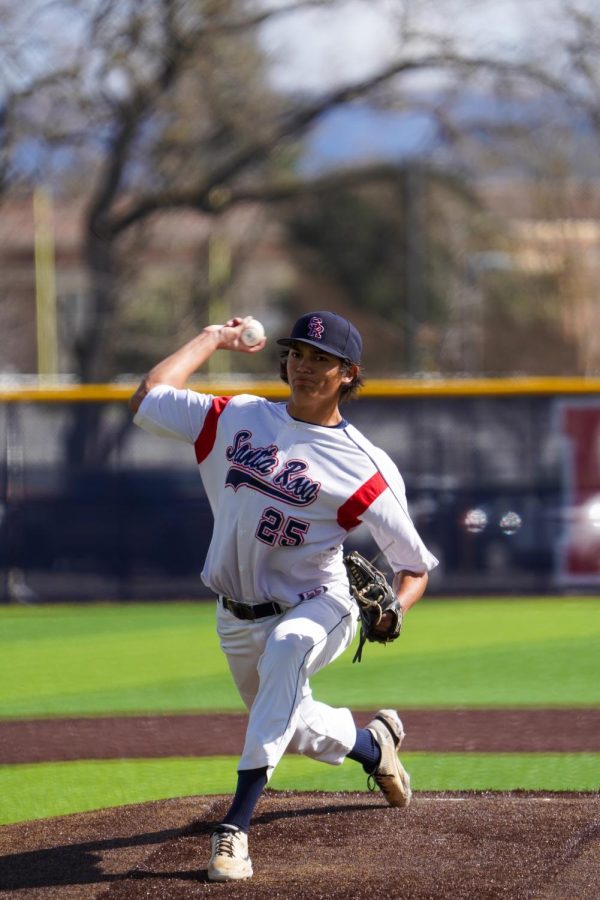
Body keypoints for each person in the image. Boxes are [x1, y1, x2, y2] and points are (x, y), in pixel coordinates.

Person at [129, 310, 438, 882]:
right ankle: (374, 746)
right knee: (290, 723)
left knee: (288, 649)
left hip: (319, 603)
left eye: (322, 359)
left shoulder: (365, 466)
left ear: (349, 373)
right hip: (235, 613)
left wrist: (395, 607)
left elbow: (414, 566)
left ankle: (236, 828)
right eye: (298, 353)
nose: (305, 366)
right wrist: (213, 338)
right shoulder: (238, 417)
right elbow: (148, 398)